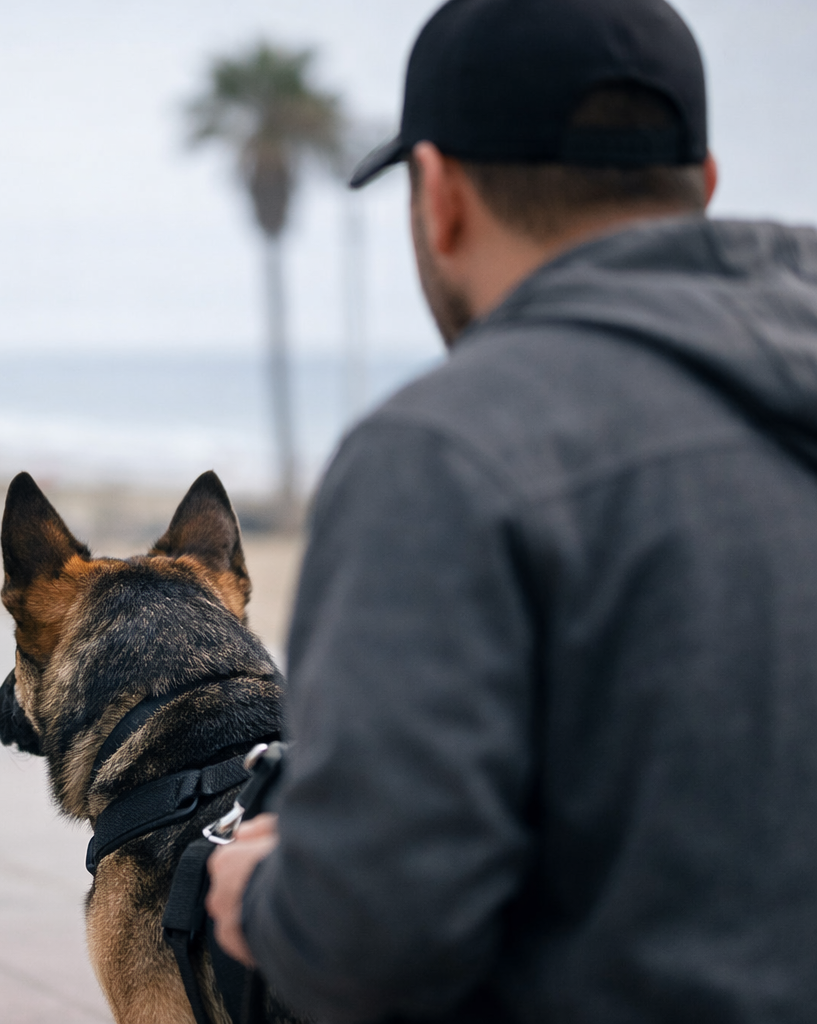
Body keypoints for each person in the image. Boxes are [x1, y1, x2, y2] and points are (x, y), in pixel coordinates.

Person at [205, 0, 817, 1020]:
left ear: (439, 195)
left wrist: (267, 894)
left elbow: (372, 943)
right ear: (702, 186)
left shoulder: (446, 455)